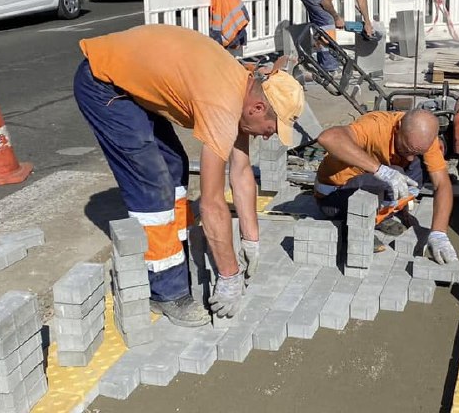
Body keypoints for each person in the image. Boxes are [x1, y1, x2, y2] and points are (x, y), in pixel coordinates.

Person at [73, 25, 304, 325]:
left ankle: (175, 252)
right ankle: (166, 292)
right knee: (152, 183)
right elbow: (211, 204)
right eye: (272, 128)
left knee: (175, 166)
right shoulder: (222, 106)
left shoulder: (242, 89)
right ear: (258, 108)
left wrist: (251, 240)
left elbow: (242, 170)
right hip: (103, 83)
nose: (270, 137)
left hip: (131, 83)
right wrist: (230, 275)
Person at [313, 109, 458, 262]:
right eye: (406, 148)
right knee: (393, 173)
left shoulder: (423, 138)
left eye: (416, 151)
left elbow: (442, 184)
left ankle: (380, 215)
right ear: (399, 127)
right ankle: (353, 228)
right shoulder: (376, 126)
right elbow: (327, 138)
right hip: (334, 197)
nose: (410, 157)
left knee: (420, 167)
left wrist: (439, 233)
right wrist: (381, 171)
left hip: (367, 182)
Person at [293, 0, 380, 73]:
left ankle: (324, 62)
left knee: (322, 24)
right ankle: (329, 68)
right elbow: (326, 2)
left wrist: (368, 22)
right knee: (327, 21)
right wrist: (337, 18)